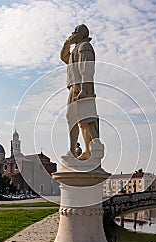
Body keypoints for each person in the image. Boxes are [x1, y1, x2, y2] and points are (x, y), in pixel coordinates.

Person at [60, 24, 99, 160]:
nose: (72, 34)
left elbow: (87, 69)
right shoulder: (76, 50)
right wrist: (67, 43)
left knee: (85, 120)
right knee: (72, 118)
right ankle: (73, 152)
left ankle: (90, 150)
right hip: (73, 88)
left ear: (81, 34)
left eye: (75, 32)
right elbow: (64, 57)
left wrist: (84, 89)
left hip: (81, 88)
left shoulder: (84, 47)